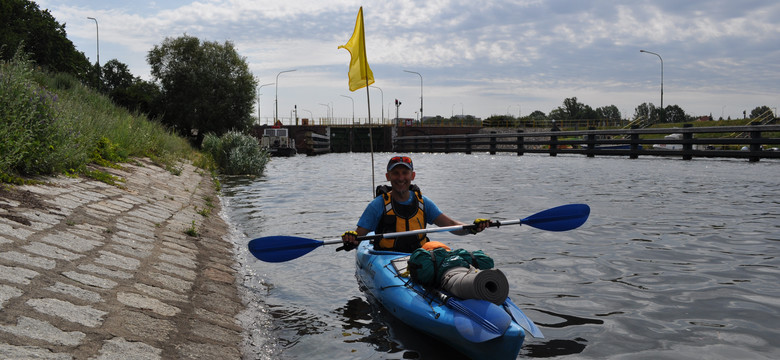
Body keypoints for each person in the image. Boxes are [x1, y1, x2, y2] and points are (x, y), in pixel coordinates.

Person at [340, 155, 490, 253]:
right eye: (395, 173)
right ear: (388, 176)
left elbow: (451, 225)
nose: (401, 178)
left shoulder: (423, 202)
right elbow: (358, 237)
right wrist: (350, 238)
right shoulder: (377, 205)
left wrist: (472, 228)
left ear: (412, 175)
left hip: (420, 256)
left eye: (405, 173)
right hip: (386, 257)